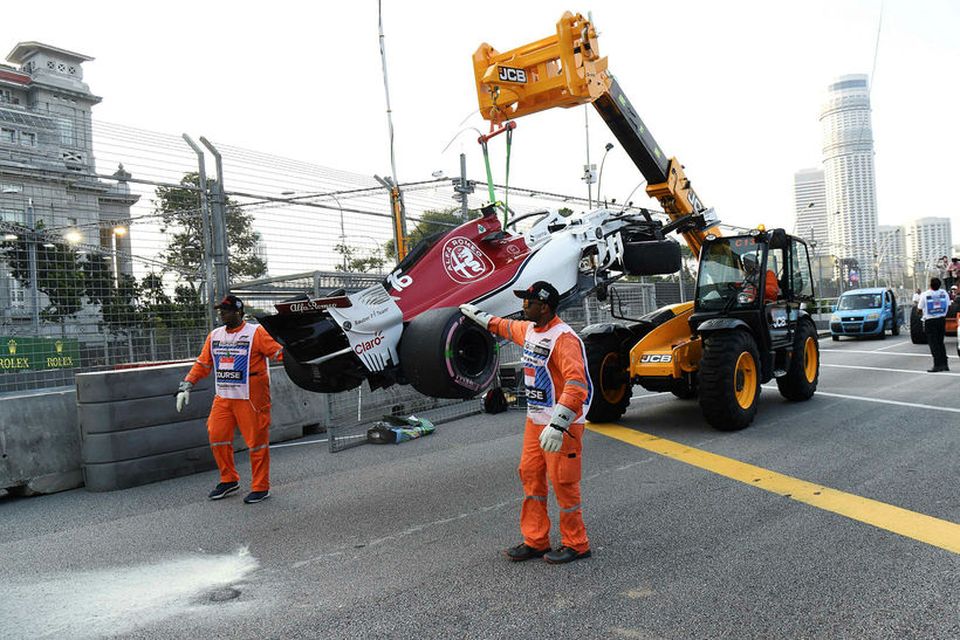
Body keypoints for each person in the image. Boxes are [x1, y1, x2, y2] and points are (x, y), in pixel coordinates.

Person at [460, 281, 593, 565]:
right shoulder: (530, 330)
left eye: (528, 303)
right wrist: (477, 315)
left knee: (563, 482)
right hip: (535, 421)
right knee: (531, 475)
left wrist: (558, 425)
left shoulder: (563, 338)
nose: (522, 308)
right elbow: (501, 326)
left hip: (563, 425)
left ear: (544, 307)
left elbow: (576, 384)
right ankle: (536, 539)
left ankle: (577, 543)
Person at [176, 295, 284, 503]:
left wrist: (300, 358)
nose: (221, 314)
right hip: (224, 396)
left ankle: (261, 487)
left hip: (251, 397)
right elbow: (203, 364)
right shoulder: (214, 335)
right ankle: (229, 479)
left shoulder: (255, 333)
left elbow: (278, 353)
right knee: (216, 436)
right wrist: (187, 385)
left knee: (257, 443)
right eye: (220, 310)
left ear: (238, 312)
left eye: (225, 310)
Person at [916, 278, 950, 373]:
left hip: (930, 321)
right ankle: (945, 364)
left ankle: (937, 365)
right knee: (940, 342)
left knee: (933, 344)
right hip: (941, 320)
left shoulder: (925, 294)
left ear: (930, 285)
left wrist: (921, 313)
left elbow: (919, 309)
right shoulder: (944, 293)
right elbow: (948, 305)